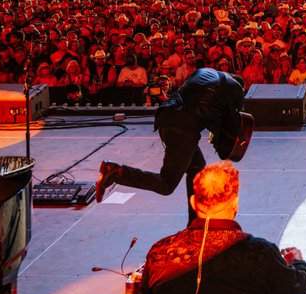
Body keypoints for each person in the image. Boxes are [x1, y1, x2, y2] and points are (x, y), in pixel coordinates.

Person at [140, 161, 306, 294]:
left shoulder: (161, 251)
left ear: (193, 202)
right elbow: (296, 291)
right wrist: (299, 263)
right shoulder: (259, 253)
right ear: (235, 203)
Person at [96, 67, 252, 222]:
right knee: (167, 184)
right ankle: (116, 172)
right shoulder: (235, 89)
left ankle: (195, 222)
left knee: (197, 167)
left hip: (167, 117)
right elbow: (234, 126)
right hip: (183, 128)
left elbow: (199, 105)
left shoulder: (205, 72)